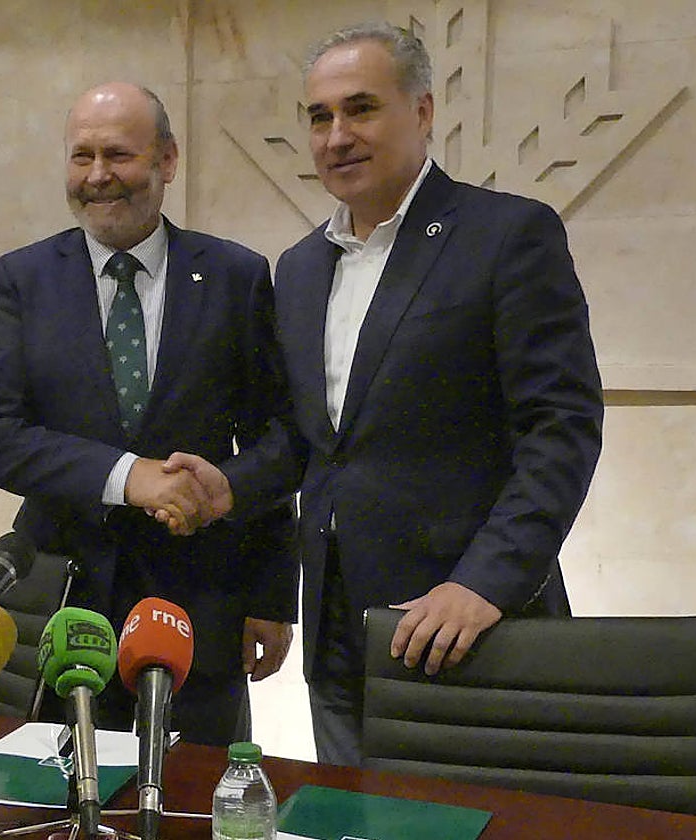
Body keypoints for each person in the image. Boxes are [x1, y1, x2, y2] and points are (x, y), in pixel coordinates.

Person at [168, 21, 603, 765]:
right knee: (351, 813)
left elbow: (561, 428)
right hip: (339, 632)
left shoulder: (507, 236)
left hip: (470, 629)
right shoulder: (300, 268)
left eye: (361, 109)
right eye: (319, 117)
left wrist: (484, 584)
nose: (337, 136)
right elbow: (314, 443)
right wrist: (230, 487)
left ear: (423, 111)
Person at [0, 82, 297, 746]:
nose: (97, 175)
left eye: (117, 154)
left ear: (167, 160)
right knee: (64, 786)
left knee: (195, 791)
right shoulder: (24, 278)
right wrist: (127, 476)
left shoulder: (235, 275)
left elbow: (279, 440)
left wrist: (270, 594)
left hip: (199, 608)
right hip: (64, 611)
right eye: (80, 156)